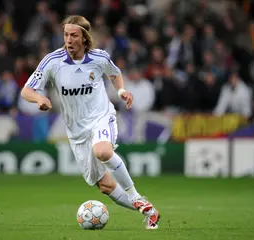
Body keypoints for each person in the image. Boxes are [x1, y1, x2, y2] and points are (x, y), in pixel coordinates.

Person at [21, 15, 160, 229]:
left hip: (101, 117)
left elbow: (115, 74)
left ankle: (134, 195)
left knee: (103, 151)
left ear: (85, 38)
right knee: (105, 186)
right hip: (77, 132)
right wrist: (40, 98)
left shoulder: (99, 58)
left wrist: (121, 90)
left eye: (74, 35)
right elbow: (27, 90)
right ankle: (149, 210)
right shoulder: (52, 61)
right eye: (66, 34)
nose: (68, 39)